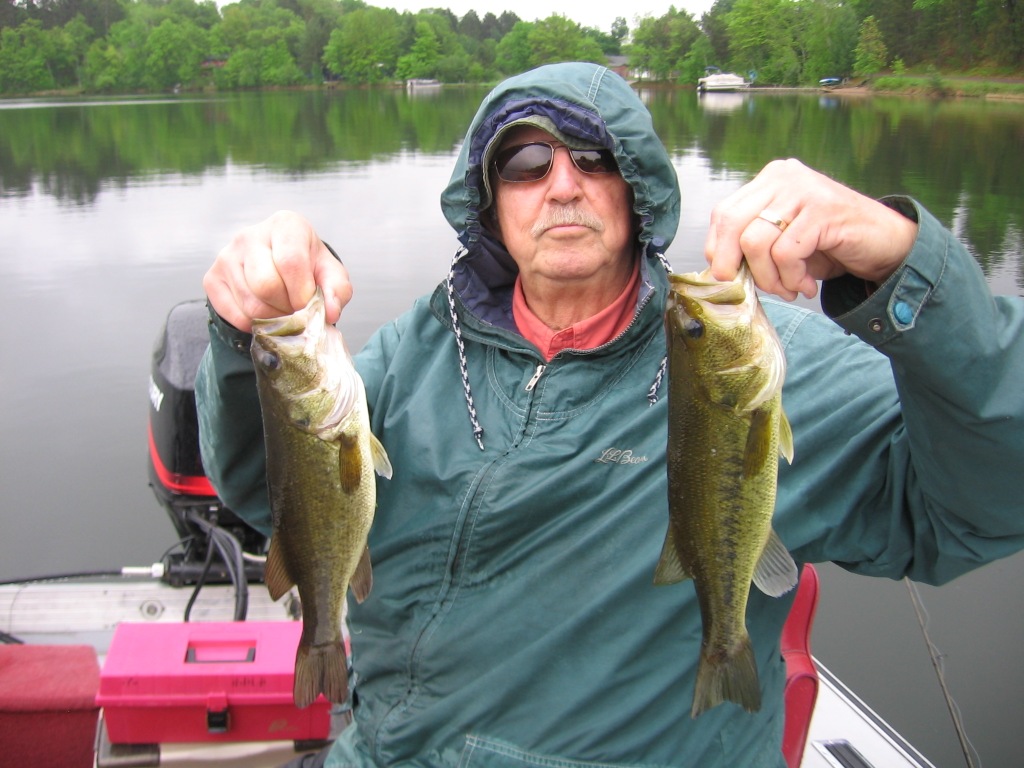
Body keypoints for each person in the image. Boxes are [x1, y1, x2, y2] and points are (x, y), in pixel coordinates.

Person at [196, 62, 1024, 768]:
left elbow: (982, 506)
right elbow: (277, 500)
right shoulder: (411, 351)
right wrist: (245, 343)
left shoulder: (764, 361)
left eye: (595, 157)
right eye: (525, 161)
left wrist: (901, 263)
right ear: (489, 199)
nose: (562, 184)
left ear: (638, 189)